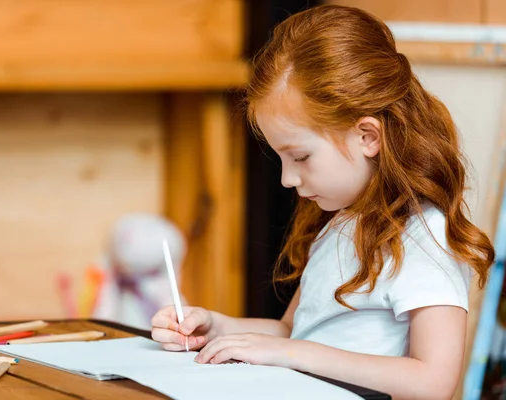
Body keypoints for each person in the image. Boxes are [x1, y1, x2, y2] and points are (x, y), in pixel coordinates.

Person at [151, 5, 495, 399]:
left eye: (300, 157)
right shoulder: (338, 223)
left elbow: (433, 382)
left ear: (368, 136)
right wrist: (216, 327)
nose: (287, 178)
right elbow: (289, 331)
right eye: (280, 159)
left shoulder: (423, 236)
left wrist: (294, 353)